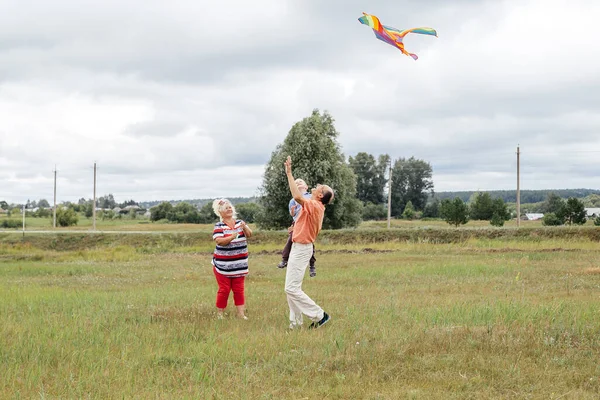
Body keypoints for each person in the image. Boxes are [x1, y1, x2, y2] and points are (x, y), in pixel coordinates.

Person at [283, 156, 334, 329]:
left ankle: (320, 315)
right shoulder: (314, 205)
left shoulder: (316, 206)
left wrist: (289, 173)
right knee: (291, 288)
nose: (316, 186)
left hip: (302, 249)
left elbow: (297, 196)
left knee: (291, 288)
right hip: (299, 247)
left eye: (320, 187)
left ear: (320, 195)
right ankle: (295, 324)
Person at [211, 198, 252, 320]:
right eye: (225, 208)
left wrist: (245, 228)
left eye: (230, 208)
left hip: (239, 265)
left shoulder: (240, 223)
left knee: (239, 289)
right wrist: (231, 237)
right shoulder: (219, 226)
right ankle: (220, 314)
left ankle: (241, 314)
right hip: (223, 265)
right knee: (224, 289)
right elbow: (219, 241)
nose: (229, 209)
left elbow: (249, 235)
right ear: (220, 212)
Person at [277, 178, 317, 277]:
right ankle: (285, 259)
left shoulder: (311, 197)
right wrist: (292, 211)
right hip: (297, 223)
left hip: (308, 224)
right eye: (295, 183)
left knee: (309, 243)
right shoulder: (293, 200)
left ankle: (312, 265)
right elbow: (292, 214)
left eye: (301, 182)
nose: (298, 182)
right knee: (290, 240)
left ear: (306, 186)